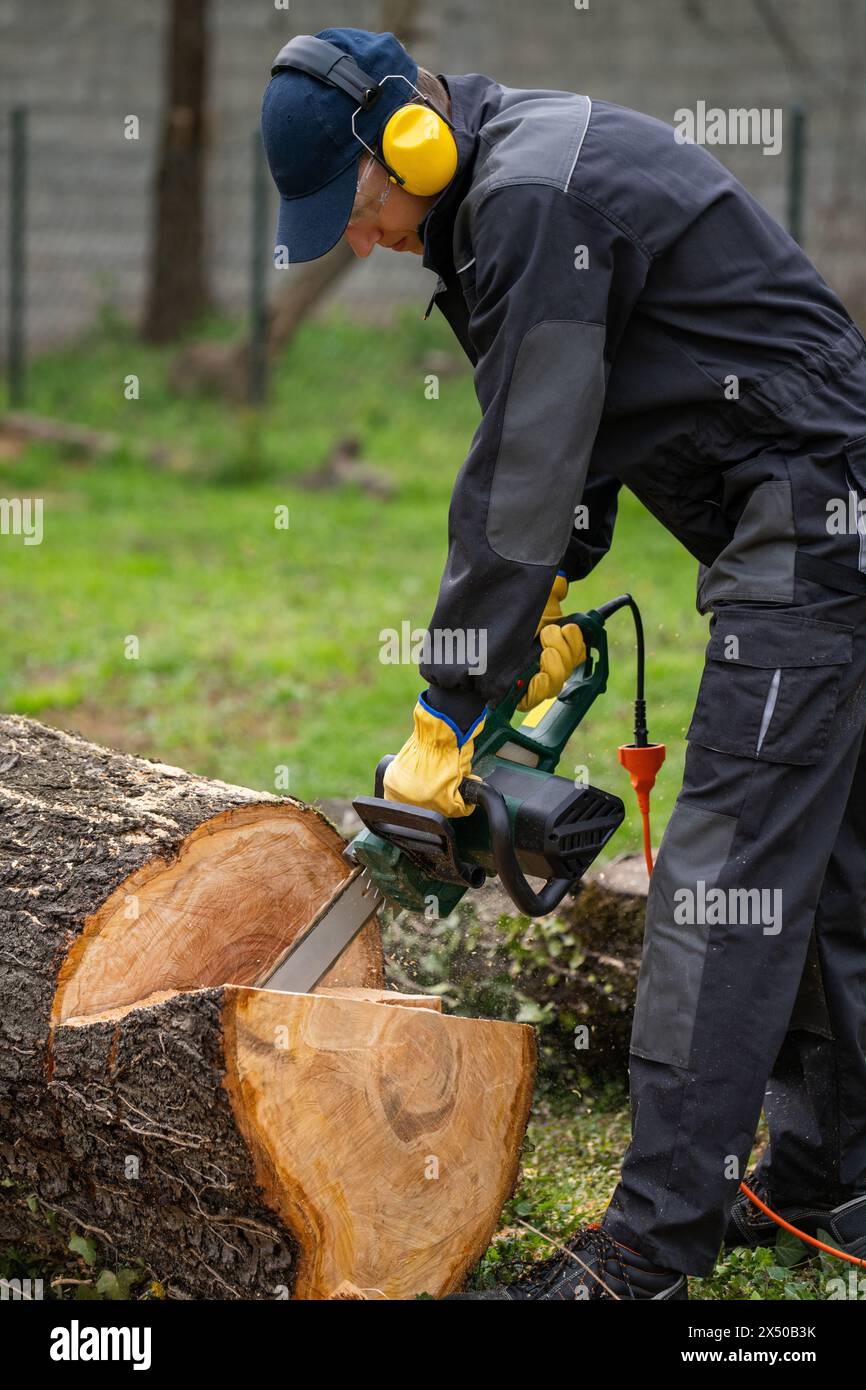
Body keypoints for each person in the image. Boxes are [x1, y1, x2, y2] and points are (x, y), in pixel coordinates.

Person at [261, 26, 866, 1300]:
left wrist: (448, 704)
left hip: (813, 513)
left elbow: (521, 473)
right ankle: (832, 1179)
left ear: (405, 142)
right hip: (803, 509)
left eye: (359, 210)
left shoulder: (530, 197)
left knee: (726, 870)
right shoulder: (507, 198)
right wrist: (539, 609)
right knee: (828, 863)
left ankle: (647, 1248)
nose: (362, 241)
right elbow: (571, 450)